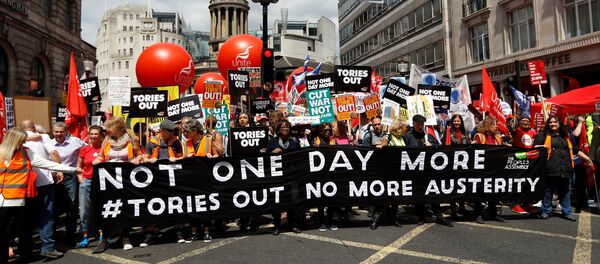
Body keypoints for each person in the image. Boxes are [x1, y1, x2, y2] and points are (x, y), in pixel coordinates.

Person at [0, 128, 82, 263]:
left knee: (24, 228)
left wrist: (71, 169)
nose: (23, 143)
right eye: (21, 141)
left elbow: (46, 163)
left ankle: (26, 255)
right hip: (2, 200)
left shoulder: (26, 152)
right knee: (2, 232)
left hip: (19, 199)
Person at [92, 117, 142, 253]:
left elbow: (139, 155)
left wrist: (137, 159)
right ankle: (105, 239)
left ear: (118, 128)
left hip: (126, 180)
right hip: (109, 180)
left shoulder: (131, 140)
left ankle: (126, 237)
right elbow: (102, 156)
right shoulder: (107, 141)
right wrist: (97, 160)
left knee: (125, 207)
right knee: (108, 208)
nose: (107, 131)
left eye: (109, 128)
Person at [534, 116, 593, 221]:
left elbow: (575, 149)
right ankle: (546, 211)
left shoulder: (567, 136)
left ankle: (567, 212)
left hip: (565, 168)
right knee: (548, 191)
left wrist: (587, 159)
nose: (552, 124)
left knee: (565, 192)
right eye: (550, 122)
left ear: (560, 124)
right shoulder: (544, 135)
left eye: (555, 122)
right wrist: (540, 147)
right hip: (549, 168)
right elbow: (535, 146)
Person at [21, 121, 64, 259]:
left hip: (24, 184)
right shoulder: (43, 137)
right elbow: (54, 153)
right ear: (34, 128)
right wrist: (58, 170)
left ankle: (25, 252)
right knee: (46, 215)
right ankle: (47, 248)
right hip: (44, 181)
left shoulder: (16, 137)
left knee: (25, 218)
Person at [405, 115, 453, 227]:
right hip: (415, 171)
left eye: (422, 124)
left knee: (433, 193)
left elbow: (439, 146)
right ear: (414, 124)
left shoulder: (428, 135)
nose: (421, 126)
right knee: (420, 194)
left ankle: (439, 215)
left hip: (429, 171)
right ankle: (421, 216)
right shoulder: (408, 136)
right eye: (418, 124)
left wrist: (431, 145)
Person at [46, 122, 86, 245]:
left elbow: (88, 149)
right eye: (56, 132)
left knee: (72, 206)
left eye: (61, 131)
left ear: (66, 131)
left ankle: (70, 236)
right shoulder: (48, 144)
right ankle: (52, 236)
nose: (58, 134)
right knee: (53, 207)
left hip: (70, 177)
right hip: (52, 178)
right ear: (52, 132)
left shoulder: (75, 141)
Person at [181, 119, 216, 242]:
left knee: (205, 205)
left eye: (186, 131)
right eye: (183, 131)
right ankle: (194, 232)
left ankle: (207, 231)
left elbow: (218, 155)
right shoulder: (186, 143)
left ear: (195, 130)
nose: (184, 134)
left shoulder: (208, 140)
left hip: (205, 178)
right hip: (191, 180)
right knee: (192, 206)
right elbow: (183, 159)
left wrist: (211, 157)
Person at [267, 120, 301, 235]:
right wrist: (272, 152)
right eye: (283, 126)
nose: (285, 128)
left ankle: (293, 224)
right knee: (278, 201)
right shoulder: (273, 141)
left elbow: (300, 157)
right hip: (278, 177)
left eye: (287, 126)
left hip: (292, 176)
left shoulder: (294, 142)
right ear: (278, 130)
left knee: (293, 200)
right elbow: (265, 158)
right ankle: (277, 226)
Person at [471, 117, 506, 224]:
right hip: (482, 169)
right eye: (493, 125)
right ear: (487, 125)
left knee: (493, 191)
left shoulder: (498, 137)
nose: (495, 126)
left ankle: (493, 213)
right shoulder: (479, 136)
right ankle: (478, 214)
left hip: (495, 169)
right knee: (480, 192)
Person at [75, 126, 104, 248]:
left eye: (96, 134)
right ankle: (85, 235)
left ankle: (102, 233)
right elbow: (78, 166)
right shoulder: (84, 149)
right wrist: (81, 179)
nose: (92, 136)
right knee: (84, 210)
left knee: (101, 207)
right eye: (91, 134)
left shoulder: (105, 148)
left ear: (101, 135)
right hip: (86, 182)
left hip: (101, 182)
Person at [312, 123, 339, 232]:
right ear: (321, 131)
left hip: (331, 174)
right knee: (321, 200)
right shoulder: (315, 141)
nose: (328, 132)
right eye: (325, 130)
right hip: (320, 174)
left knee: (331, 199)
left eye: (329, 130)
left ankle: (331, 221)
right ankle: (321, 221)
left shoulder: (333, 141)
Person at [511, 116, 537, 214]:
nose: (525, 122)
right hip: (518, 159)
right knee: (518, 182)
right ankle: (515, 204)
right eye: (523, 120)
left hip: (529, 160)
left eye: (527, 121)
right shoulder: (516, 130)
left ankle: (526, 204)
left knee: (527, 182)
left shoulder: (533, 132)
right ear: (520, 122)